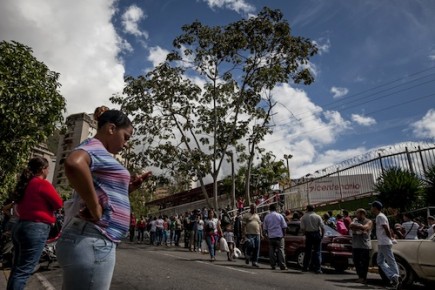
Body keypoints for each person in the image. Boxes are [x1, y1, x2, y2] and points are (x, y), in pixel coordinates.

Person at [57, 107, 152, 290]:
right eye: (126, 137)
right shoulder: (94, 147)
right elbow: (74, 163)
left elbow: (106, 193)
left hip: (91, 239)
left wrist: (130, 188)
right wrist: (95, 207)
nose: (125, 144)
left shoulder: (98, 151)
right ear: (111, 129)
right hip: (93, 239)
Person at [7, 157, 63, 290]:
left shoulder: (25, 184)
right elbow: (59, 203)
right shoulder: (42, 183)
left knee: (17, 269)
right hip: (36, 228)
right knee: (23, 271)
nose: (48, 170)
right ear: (43, 169)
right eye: (48, 168)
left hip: (20, 226)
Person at [371, 201, 402, 289]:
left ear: (375, 208)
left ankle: (396, 279)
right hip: (382, 243)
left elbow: (386, 228)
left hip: (384, 242)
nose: (371, 209)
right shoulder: (380, 216)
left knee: (391, 261)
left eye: (372, 207)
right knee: (380, 261)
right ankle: (393, 276)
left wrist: (390, 238)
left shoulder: (380, 216)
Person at [349, 209, 372, 284]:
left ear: (362, 214)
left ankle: (363, 278)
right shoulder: (355, 220)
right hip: (356, 245)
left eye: (358, 214)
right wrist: (360, 228)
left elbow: (365, 227)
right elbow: (351, 226)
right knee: (356, 261)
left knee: (364, 262)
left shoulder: (369, 221)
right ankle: (360, 277)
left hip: (364, 245)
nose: (356, 215)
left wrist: (358, 228)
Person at [300, 205, 324, 274]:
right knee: (317, 251)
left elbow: (302, 228)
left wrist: (305, 234)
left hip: (309, 234)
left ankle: (305, 267)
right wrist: (322, 235)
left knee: (308, 251)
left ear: (307, 209)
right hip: (316, 234)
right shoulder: (318, 216)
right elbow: (322, 227)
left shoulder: (304, 217)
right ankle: (318, 268)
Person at [263, 203, 288, 270]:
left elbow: (265, 228)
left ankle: (273, 265)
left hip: (271, 236)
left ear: (269, 209)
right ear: (276, 209)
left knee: (271, 251)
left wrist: (266, 236)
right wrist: (284, 235)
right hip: (279, 236)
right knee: (281, 250)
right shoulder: (279, 216)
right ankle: (282, 265)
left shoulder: (267, 216)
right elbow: (284, 227)